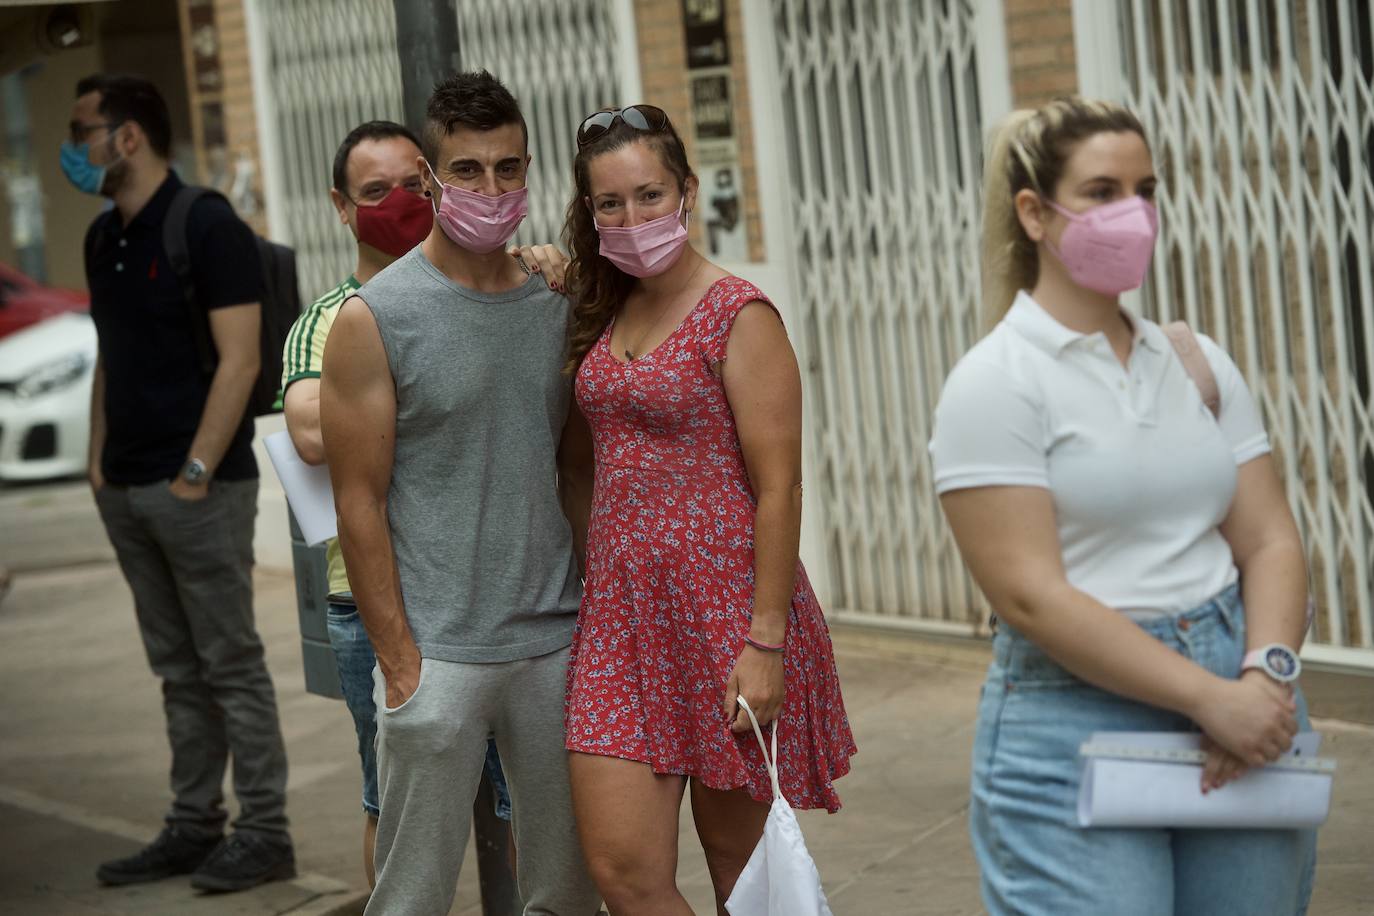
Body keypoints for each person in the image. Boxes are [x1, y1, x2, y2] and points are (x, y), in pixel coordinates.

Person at [929, 96, 1317, 915]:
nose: (1133, 213)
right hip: (1076, 718)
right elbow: (1029, 595)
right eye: (1102, 192)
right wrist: (1208, 700)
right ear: (1034, 212)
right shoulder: (995, 383)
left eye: (1146, 190)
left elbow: (1270, 539)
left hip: (1243, 691)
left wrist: (1264, 677)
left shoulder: (1194, 362)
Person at [560, 105, 856, 914]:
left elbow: (780, 487)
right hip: (620, 622)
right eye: (610, 203)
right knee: (623, 873)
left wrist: (767, 642)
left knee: (742, 878)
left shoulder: (738, 313)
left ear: (686, 191)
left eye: (649, 195)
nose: (632, 218)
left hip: (727, 617)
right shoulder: (601, 306)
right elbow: (580, 463)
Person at [319, 71, 601, 915]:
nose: (491, 187)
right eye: (467, 171)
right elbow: (358, 503)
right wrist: (402, 665)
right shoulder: (376, 317)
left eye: (508, 168)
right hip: (436, 655)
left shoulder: (558, 300)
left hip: (554, 643)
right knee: (410, 899)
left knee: (568, 894)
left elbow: (576, 469)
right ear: (430, 180)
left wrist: (597, 614)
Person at [280, 118, 554, 889]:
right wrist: (422, 380)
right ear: (342, 206)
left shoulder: (522, 287)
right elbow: (311, 432)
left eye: (411, 184)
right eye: (376, 192)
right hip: (379, 606)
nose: (400, 202)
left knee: (529, 813)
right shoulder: (334, 318)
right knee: (397, 812)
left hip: (510, 610)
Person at [68, 73, 295, 892]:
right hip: (127, 490)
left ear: (126, 137)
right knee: (177, 670)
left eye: (82, 131)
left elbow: (240, 361)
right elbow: (111, 354)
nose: (74, 147)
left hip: (199, 489)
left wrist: (194, 474)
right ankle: (194, 823)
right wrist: (98, 461)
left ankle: (264, 832)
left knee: (230, 663)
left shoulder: (206, 225)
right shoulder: (103, 237)